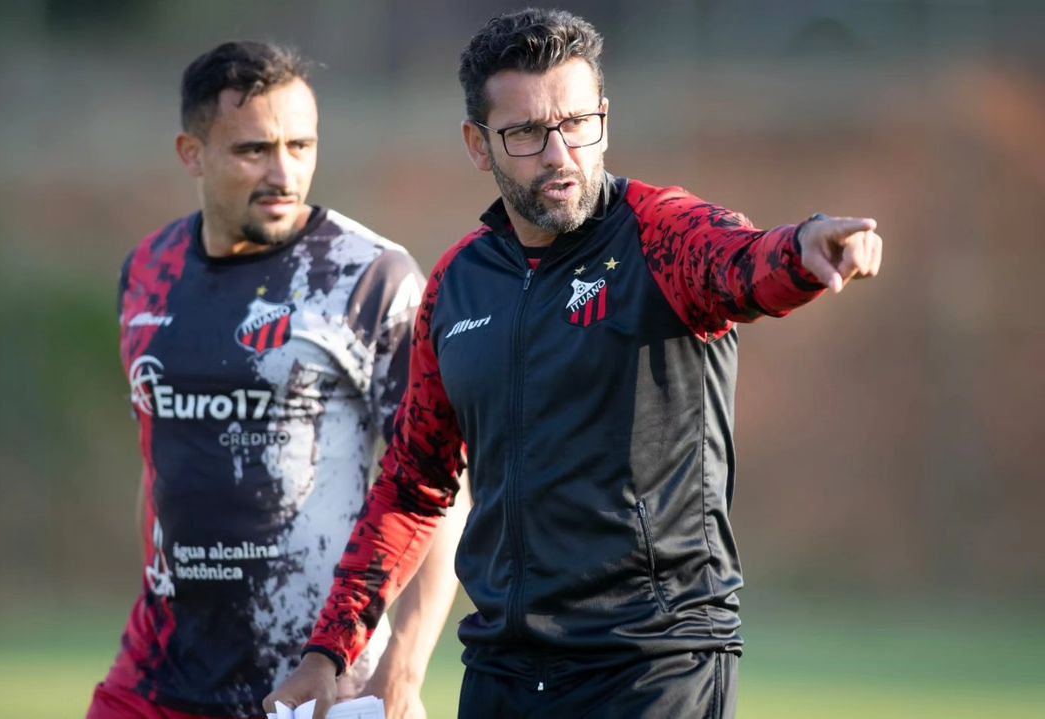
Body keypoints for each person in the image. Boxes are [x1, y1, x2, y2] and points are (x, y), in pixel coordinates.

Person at [267, 8, 883, 719]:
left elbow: (740, 262)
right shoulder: (457, 284)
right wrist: (330, 651)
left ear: (605, 120)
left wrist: (803, 250)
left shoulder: (662, 234)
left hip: (655, 665)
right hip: (502, 670)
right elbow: (413, 483)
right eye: (527, 133)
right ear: (478, 143)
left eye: (577, 123)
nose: (559, 153)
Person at [87, 40, 469, 719]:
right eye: (253, 150)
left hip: (321, 680)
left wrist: (404, 668)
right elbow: (160, 462)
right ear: (191, 153)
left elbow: (438, 484)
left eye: (300, 145)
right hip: (158, 673)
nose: (283, 172)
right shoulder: (148, 272)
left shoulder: (369, 278)